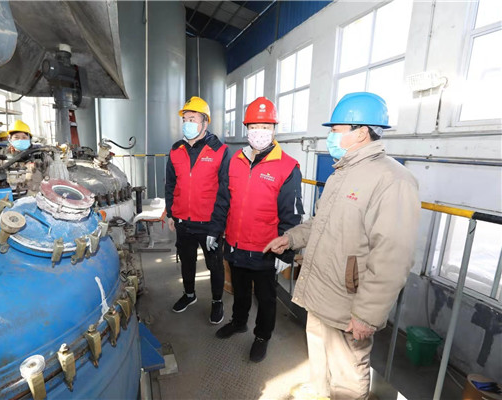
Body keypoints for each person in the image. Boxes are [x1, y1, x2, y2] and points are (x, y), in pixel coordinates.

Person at [264, 92, 421, 398]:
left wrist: (367, 314)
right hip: (320, 291)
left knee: (348, 374)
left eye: (335, 130)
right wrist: (291, 238)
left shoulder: (393, 180)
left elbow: (393, 257)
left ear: (361, 132)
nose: (330, 137)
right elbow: (320, 223)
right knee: (319, 360)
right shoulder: (342, 173)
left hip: (348, 302)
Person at [215, 97, 303, 363]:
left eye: (265, 126)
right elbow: (223, 200)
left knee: (266, 298)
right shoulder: (235, 160)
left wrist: (285, 253)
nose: (259, 132)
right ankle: (238, 322)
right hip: (236, 244)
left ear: (274, 129)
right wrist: (216, 231)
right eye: (254, 126)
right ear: (246, 129)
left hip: (266, 248)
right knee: (240, 290)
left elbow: (291, 215)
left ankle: (262, 336)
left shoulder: (287, 167)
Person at [165, 96, 230, 324]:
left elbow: (225, 192)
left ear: (205, 122)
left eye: (192, 119)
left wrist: (218, 226)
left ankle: (217, 301)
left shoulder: (220, 150)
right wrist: (171, 212)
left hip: (209, 223)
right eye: (185, 119)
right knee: (187, 260)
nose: (187, 123)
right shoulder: (176, 150)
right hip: (183, 221)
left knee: (215, 265)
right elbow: (170, 184)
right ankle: (189, 294)